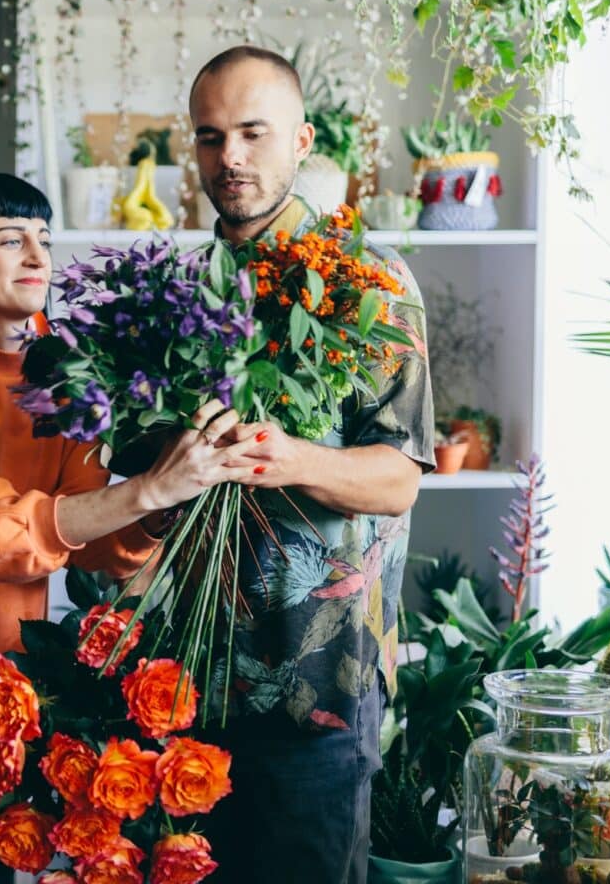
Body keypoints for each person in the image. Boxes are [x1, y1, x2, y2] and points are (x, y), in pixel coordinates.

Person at [0, 172, 269, 884]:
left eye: (43, 238)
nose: (37, 255)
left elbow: (93, 541)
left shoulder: (65, 385)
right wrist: (149, 486)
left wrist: (171, 494)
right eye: (9, 239)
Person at [185, 45, 435, 883]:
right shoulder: (181, 288)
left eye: (253, 132)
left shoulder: (368, 280)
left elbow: (400, 478)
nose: (232, 158)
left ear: (302, 139)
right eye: (211, 137)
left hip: (316, 688)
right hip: (183, 683)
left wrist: (290, 458)